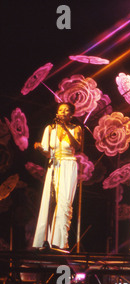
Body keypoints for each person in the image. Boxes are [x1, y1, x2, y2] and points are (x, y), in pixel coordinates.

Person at [32, 102, 82, 251]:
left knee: (64, 202)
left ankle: (60, 242)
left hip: (68, 164)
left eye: (66, 110)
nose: (63, 112)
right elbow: (48, 152)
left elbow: (77, 146)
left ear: (71, 114)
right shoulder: (50, 129)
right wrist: (40, 149)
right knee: (49, 200)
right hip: (53, 164)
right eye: (61, 110)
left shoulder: (76, 128)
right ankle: (44, 240)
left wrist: (66, 128)